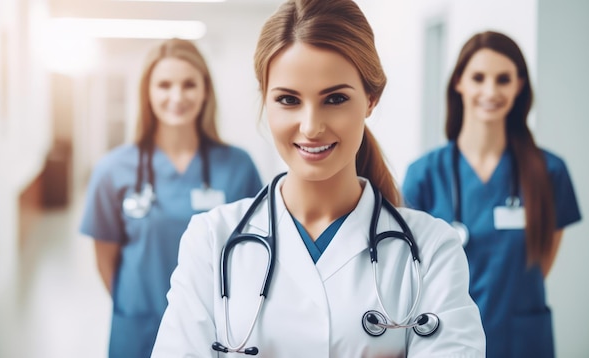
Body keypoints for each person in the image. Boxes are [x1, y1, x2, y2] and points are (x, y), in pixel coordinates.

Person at [151, 1, 485, 357]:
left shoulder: (431, 250)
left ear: (371, 99)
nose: (311, 126)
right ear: (265, 99)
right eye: (289, 100)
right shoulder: (211, 240)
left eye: (335, 98)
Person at [402, 31, 582, 358]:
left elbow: (541, 263)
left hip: (522, 342)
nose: (490, 91)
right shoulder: (424, 174)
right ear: (459, 82)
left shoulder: (549, 172)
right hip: (447, 343)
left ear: (519, 85)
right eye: (478, 78)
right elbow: (411, 274)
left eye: (503, 79)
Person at [79, 38, 263, 358]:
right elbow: (105, 259)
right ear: (147, 93)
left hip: (218, 329)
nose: (176, 96)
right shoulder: (113, 170)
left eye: (189, 84)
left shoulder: (238, 166)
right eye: (164, 85)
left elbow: (256, 253)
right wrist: (135, 307)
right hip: (139, 327)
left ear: (205, 90)